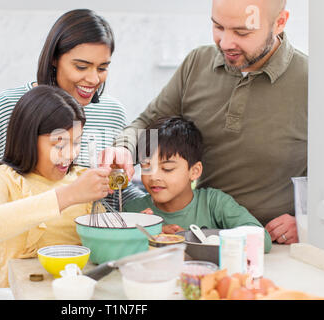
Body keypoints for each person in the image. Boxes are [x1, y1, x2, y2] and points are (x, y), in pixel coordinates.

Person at [0, 9, 145, 291]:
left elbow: (113, 194)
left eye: (102, 68)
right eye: (81, 66)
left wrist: (146, 205)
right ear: (55, 58)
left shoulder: (113, 113)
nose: (93, 79)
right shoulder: (6, 109)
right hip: (7, 279)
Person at [101, 0, 307, 245]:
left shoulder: (313, 80)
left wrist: (307, 220)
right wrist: (123, 148)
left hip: (273, 245)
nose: (226, 43)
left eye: (242, 32)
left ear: (280, 23)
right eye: (218, 26)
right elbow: (147, 124)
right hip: (199, 240)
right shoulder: (197, 63)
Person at [0, 85, 110, 288]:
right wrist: (69, 195)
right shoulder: (0, 178)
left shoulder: (81, 177)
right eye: (59, 144)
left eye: (77, 142)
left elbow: (103, 246)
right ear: (28, 138)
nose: (70, 155)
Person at [123, 116, 272, 252]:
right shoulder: (134, 211)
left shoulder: (214, 203)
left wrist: (201, 241)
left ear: (194, 171)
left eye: (167, 169)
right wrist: (147, 235)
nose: (154, 176)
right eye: (146, 167)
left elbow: (262, 240)